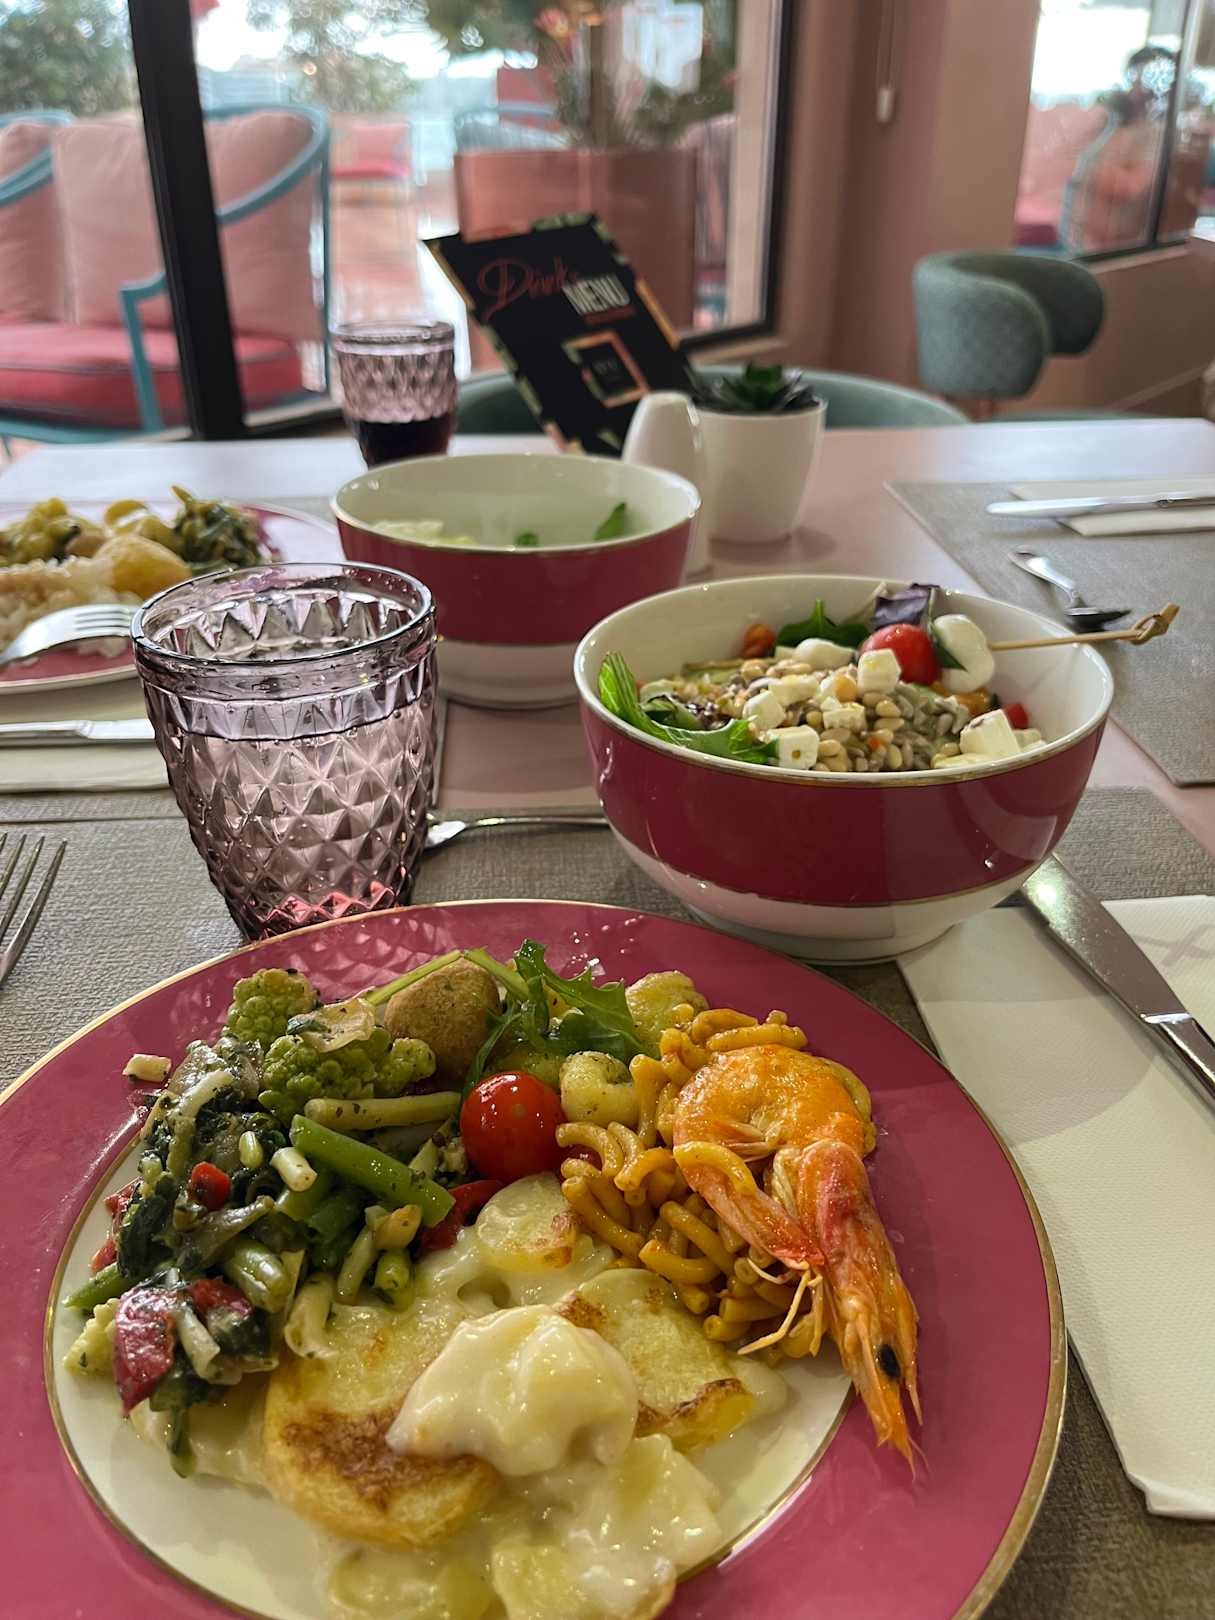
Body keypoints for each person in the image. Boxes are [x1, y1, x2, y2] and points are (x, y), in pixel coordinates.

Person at [1059, 46, 1176, 253]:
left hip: (1117, 245)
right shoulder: (1117, 123)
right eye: (1133, 77)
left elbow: (1131, 186)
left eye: (1144, 79)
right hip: (1083, 238)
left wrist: (1083, 167)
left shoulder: (1157, 133)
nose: (1135, 88)